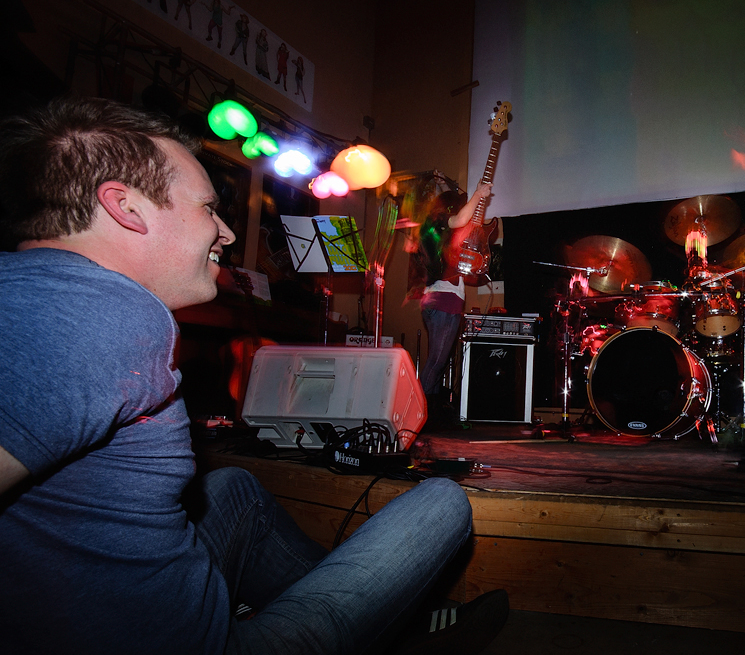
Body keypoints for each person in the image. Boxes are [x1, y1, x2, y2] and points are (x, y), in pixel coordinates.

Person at [0, 97, 493, 654]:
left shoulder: (33, 285)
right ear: (125, 207)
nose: (226, 233)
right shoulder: (103, 308)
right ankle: (393, 634)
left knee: (234, 489)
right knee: (443, 501)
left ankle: (365, 620)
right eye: (208, 208)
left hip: (100, 604)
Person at [405, 182, 492, 424]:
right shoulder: (437, 221)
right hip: (442, 300)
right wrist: (478, 194)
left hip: (443, 300)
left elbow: (465, 229)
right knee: (436, 362)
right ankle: (416, 414)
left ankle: (428, 415)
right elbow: (461, 219)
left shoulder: (438, 231)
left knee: (438, 362)